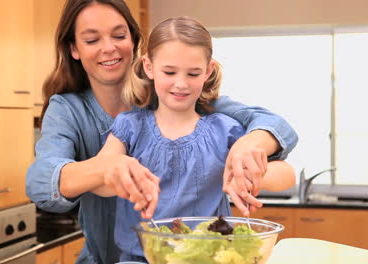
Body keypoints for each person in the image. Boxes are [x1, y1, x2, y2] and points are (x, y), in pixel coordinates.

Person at [26, 0, 298, 263]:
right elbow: (46, 179)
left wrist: (246, 158)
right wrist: (111, 172)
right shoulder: (119, 122)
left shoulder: (215, 119)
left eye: (119, 35)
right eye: (92, 39)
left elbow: (274, 141)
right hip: (132, 257)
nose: (180, 84)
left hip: (207, 257)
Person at [93, 16, 296, 262]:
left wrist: (250, 173)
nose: (181, 83)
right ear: (149, 67)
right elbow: (100, 176)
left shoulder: (224, 130)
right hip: (141, 258)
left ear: (208, 71)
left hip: (210, 258)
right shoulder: (130, 126)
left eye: (193, 73)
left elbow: (287, 176)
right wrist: (121, 176)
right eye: (169, 71)